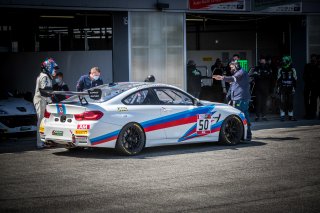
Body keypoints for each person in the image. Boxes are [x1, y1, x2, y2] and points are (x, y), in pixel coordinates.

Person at [212, 61, 252, 141]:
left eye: (232, 67)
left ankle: (247, 135)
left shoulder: (241, 73)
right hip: (238, 99)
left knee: (242, 117)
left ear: (236, 66)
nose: (231, 69)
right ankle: (244, 135)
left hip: (241, 99)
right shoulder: (238, 73)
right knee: (240, 117)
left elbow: (233, 79)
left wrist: (222, 77)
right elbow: (233, 84)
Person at [33, 58, 58, 148]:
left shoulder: (46, 76)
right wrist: (51, 101)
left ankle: (45, 140)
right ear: (48, 67)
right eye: (54, 69)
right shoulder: (44, 76)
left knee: (46, 121)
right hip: (40, 100)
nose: (55, 71)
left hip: (43, 100)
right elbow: (44, 91)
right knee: (41, 121)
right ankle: (40, 143)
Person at [251, 56, 273, 121]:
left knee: (264, 102)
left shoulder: (269, 68)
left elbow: (270, 77)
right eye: (261, 60)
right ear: (260, 61)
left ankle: (264, 116)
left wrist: (260, 75)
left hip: (266, 88)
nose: (263, 61)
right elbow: (255, 76)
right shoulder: (256, 68)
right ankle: (257, 116)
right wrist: (263, 75)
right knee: (258, 102)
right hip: (258, 88)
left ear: (265, 61)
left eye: (264, 60)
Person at [277, 56, 297, 121]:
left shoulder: (292, 69)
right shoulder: (280, 69)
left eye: (285, 61)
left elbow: (295, 79)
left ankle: (290, 116)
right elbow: (278, 79)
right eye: (283, 61)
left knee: (290, 102)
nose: (284, 62)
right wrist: (278, 87)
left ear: (289, 61)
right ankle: (282, 116)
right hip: (283, 88)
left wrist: (294, 87)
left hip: (290, 88)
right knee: (282, 102)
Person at [303, 54, 318, 119]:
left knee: (313, 100)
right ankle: (308, 114)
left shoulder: (317, 67)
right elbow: (304, 75)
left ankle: (313, 114)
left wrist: (314, 81)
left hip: (315, 86)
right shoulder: (307, 66)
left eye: (314, 59)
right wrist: (308, 80)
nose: (313, 60)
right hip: (308, 85)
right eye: (312, 59)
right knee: (306, 100)